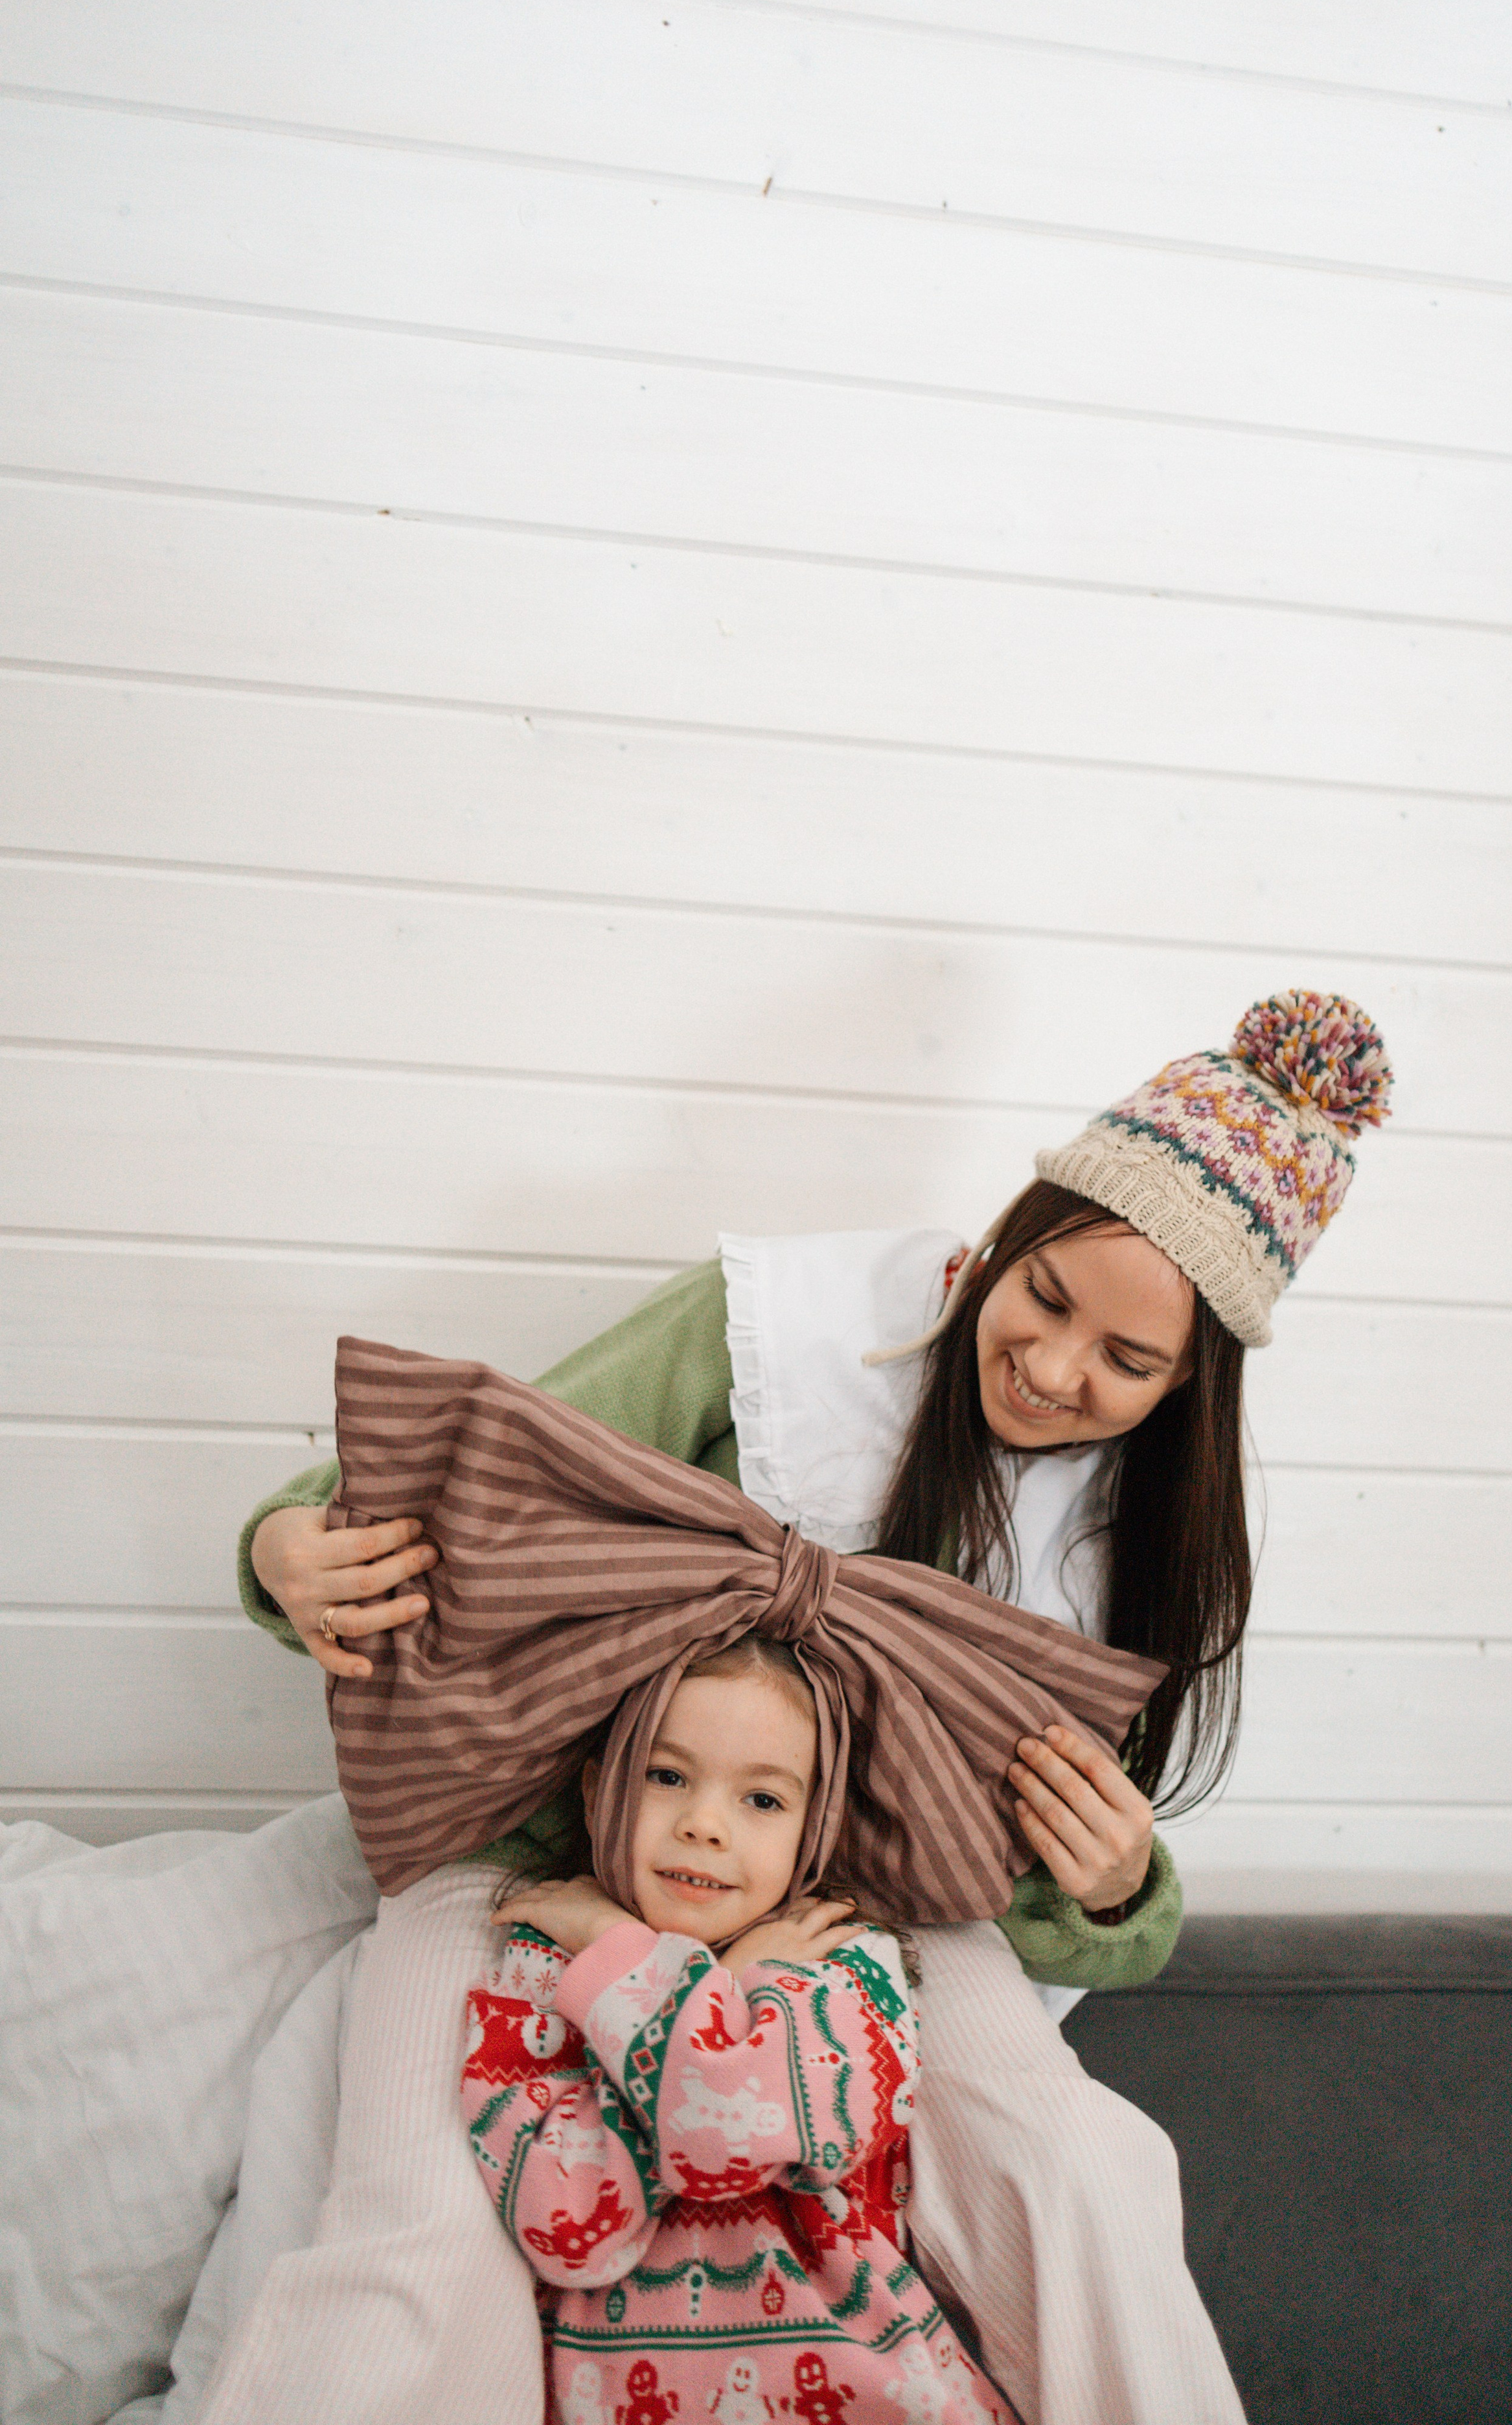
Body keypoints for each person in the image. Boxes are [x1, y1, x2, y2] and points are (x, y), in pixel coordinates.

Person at [240, 988, 1392, 2423]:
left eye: (1126, 1361)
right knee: (412, 2240)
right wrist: (286, 1544)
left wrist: (1114, 1892)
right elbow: (494, 1478)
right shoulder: (784, 1333)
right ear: (1001, 1243)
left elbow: (1053, 1883)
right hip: (546, 1855)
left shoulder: (1130, 1548)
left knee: (1074, 2168)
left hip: (863, 1921)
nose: (1050, 1368)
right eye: (1039, 1299)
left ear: (1188, 1389)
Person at [463, 1636, 1011, 2424]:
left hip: (875, 2391)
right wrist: (694, 1988)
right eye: (667, 1776)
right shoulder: (537, 1979)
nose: (704, 1825)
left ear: (813, 1832)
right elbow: (571, 2229)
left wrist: (646, 1978)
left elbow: (744, 2130)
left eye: (762, 1800)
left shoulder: (843, 1966)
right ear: (596, 1794)